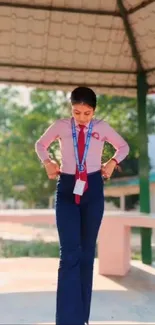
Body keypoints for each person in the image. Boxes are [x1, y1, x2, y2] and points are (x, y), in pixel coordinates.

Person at [35, 86, 129, 325]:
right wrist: (47, 161)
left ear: (94, 111)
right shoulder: (61, 126)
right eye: (77, 112)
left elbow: (123, 146)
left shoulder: (102, 128)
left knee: (86, 254)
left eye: (87, 113)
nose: (81, 118)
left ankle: (82, 319)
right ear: (71, 109)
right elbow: (40, 144)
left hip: (93, 189)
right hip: (67, 188)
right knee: (69, 255)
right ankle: (67, 321)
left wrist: (112, 162)